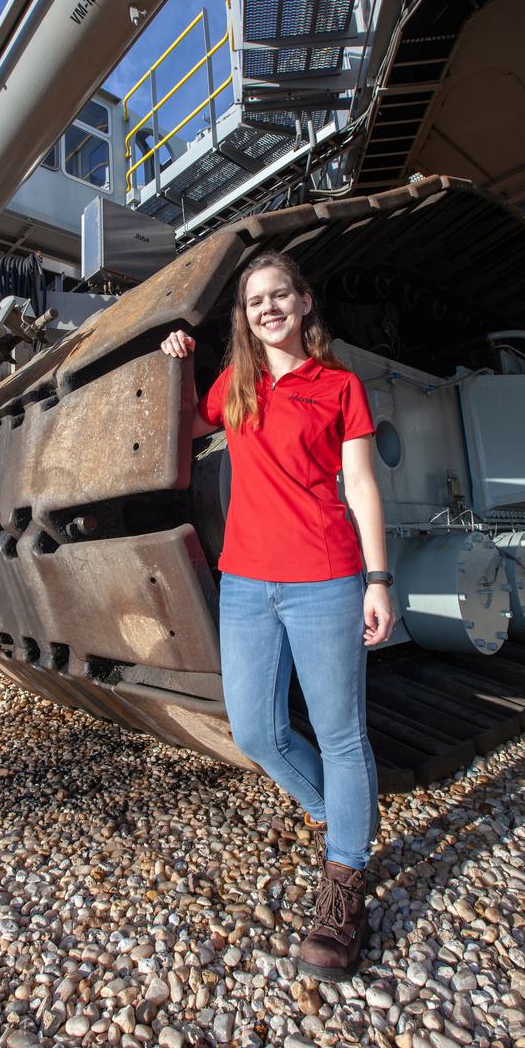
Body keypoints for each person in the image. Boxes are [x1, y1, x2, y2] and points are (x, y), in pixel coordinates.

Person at [160, 249, 394, 978]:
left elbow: (360, 484)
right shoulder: (236, 383)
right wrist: (172, 362)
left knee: (339, 733)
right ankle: (335, 812)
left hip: (325, 576)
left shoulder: (338, 385)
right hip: (245, 584)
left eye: (278, 295)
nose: (267, 308)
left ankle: (344, 882)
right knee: (259, 730)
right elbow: (178, 431)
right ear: (246, 316)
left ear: (302, 303)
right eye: (254, 300)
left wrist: (378, 580)